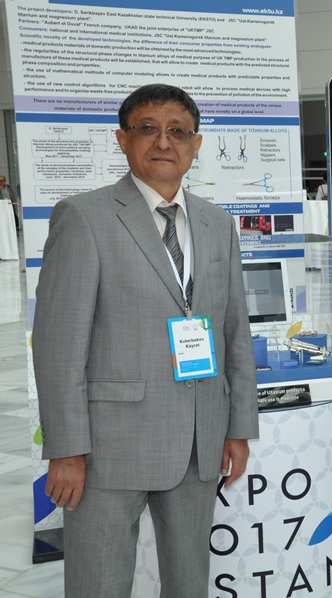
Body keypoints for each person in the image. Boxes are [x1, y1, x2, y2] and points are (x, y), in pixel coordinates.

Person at [32, 84, 259, 597]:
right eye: (148, 129)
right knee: (98, 585)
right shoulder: (83, 216)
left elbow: (234, 333)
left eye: (177, 131)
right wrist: (65, 450)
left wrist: (238, 427)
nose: (163, 142)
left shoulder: (217, 223)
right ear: (122, 139)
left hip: (199, 441)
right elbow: (58, 344)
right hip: (108, 450)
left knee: (189, 584)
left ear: (196, 145)